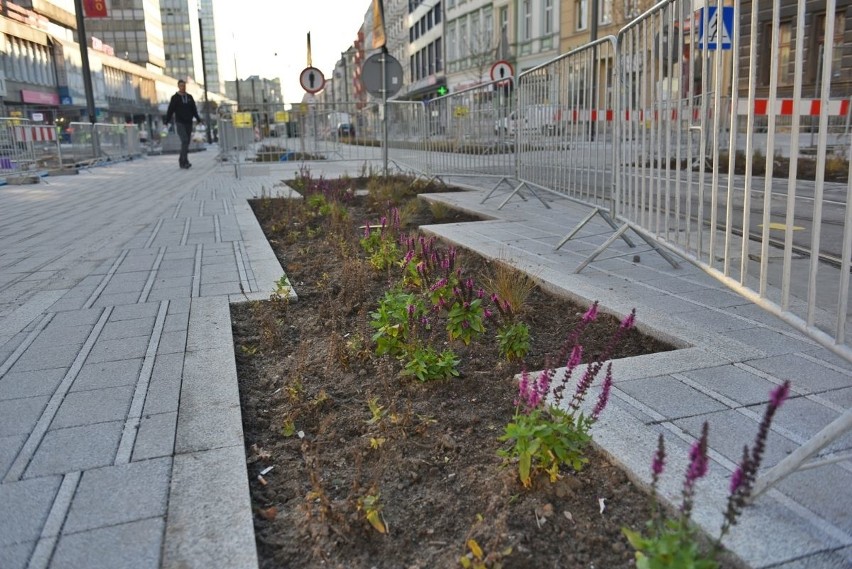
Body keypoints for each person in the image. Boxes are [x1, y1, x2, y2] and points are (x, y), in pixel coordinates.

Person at [165, 79, 202, 169]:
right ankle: (184, 161)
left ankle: (182, 160)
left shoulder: (189, 97)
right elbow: (170, 110)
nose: (183, 87)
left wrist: (198, 119)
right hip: (180, 122)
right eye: (181, 86)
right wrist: (166, 121)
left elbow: (194, 110)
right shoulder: (175, 98)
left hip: (188, 122)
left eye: (184, 85)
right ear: (178, 86)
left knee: (187, 142)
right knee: (184, 140)